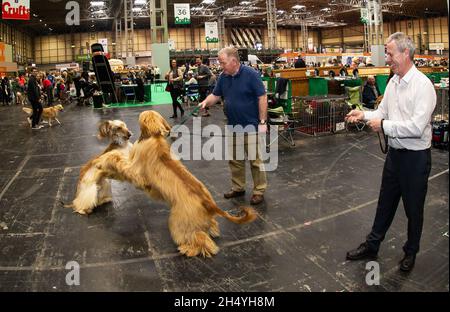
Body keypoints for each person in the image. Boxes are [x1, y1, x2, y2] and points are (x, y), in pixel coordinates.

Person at [345, 32, 436, 272]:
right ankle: (372, 244)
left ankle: (411, 251)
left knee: (413, 209)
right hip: (395, 156)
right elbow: (382, 112)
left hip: (415, 159)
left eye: (390, 53)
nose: (386, 58)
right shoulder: (393, 83)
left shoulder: (423, 86)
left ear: (405, 53)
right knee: (385, 203)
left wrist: (384, 126)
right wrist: (362, 114)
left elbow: (416, 128)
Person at [199, 47, 268, 205]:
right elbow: (215, 95)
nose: (220, 65)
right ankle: (238, 187)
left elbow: (262, 97)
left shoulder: (251, 74)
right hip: (232, 125)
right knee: (235, 160)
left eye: (222, 62)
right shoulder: (224, 77)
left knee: (255, 160)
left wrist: (262, 122)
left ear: (234, 61)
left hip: (251, 125)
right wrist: (206, 102)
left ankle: (259, 190)